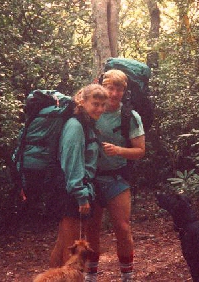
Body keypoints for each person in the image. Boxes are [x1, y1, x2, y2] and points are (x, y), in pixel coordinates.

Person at [85, 70, 146, 282]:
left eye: (118, 89)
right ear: (102, 86)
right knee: (91, 229)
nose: (113, 93)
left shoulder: (130, 116)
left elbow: (140, 151)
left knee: (122, 227)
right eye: (110, 87)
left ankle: (127, 276)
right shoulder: (91, 111)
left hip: (117, 179)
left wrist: (119, 150)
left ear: (124, 91)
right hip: (92, 179)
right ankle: (91, 275)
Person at [49, 84, 109, 267]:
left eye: (102, 104)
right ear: (82, 102)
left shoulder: (86, 125)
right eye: (95, 103)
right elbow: (72, 163)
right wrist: (81, 197)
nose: (99, 108)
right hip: (71, 192)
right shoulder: (75, 126)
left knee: (63, 245)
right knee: (71, 250)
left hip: (74, 189)